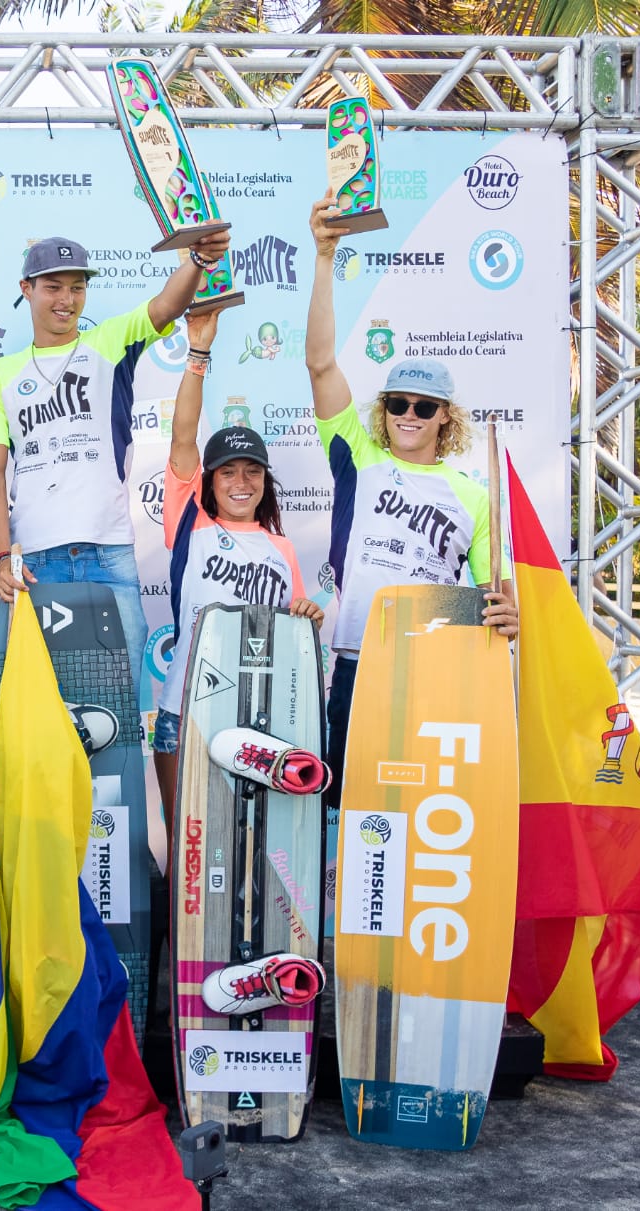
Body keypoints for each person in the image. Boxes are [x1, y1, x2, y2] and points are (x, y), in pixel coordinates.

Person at [305, 194, 518, 816]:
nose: (408, 416)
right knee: (344, 805)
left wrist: (508, 613)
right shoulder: (359, 458)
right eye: (398, 404)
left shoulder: (474, 495)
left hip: (431, 666)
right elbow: (320, 363)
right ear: (384, 409)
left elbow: (495, 592)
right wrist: (325, 256)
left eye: (423, 407)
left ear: (444, 416)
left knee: (417, 808)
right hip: (356, 659)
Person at [0, 227, 233, 695]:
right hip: (33, 559)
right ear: (26, 289)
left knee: (118, 712)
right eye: (53, 286)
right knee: (23, 711)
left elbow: (166, 307)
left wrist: (195, 260)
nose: (66, 299)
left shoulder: (111, 342)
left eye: (77, 287)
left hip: (108, 556)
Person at [153, 307, 323, 869]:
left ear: (265, 481)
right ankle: (182, 959)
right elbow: (182, 437)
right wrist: (197, 356)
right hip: (185, 705)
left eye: (252, 471)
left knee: (249, 848)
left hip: (256, 713)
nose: (241, 481)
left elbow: (295, 629)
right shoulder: (191, 524)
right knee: (189, 849)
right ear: (209, 481)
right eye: (228, 471)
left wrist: (306, 613)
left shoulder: (283, 549)